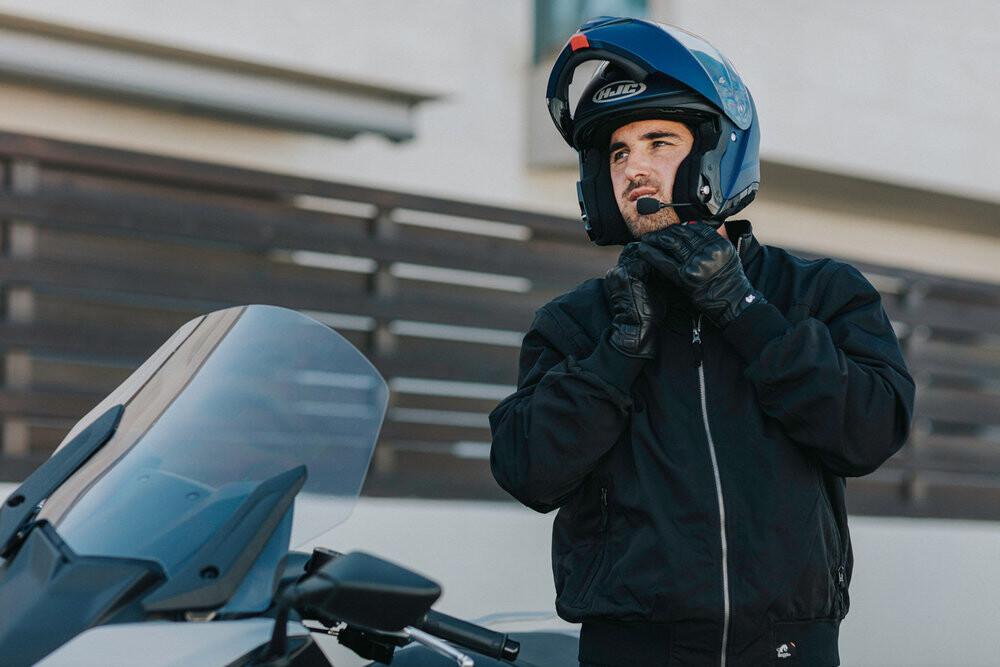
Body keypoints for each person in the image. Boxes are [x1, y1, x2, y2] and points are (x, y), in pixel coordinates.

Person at [489, 17, 915, 667]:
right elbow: (527, 470)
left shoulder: (819, 292)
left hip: (787, 647)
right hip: (633, 649)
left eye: (658, 142)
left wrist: (744, 311)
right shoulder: (575, 321)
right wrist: (616, 353)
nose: (634, 168)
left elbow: (869, 430)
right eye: (618, 153)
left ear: (717, 153)